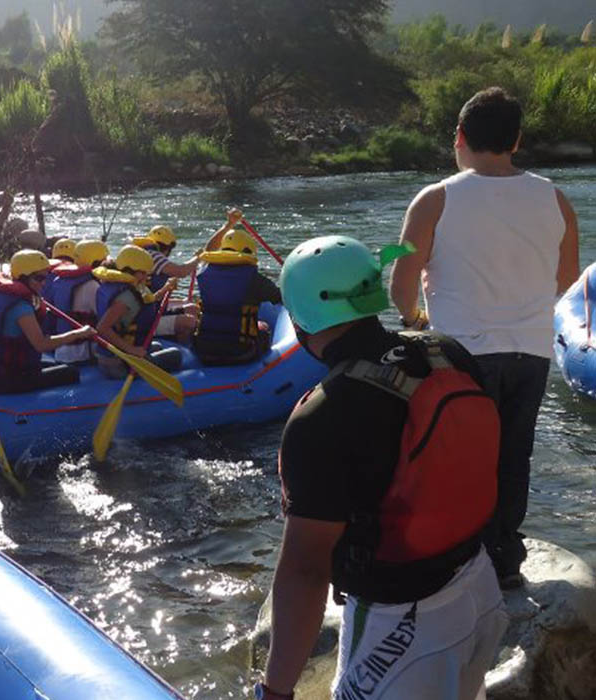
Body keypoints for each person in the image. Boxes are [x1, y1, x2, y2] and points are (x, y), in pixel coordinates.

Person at [259, 234, 506, 700]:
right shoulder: (446, 351)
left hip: (402, 624)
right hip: (478, 588)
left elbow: (305, 571)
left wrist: (275, 691)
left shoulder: (321, 416)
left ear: (298, 319)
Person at [389, 86, 581, 590]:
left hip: (461, 354)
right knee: (514, 455)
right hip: (531, 351)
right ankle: (505, 559)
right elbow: (566, 281)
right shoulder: (556, 199)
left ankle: (457, 560)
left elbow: (400, 284)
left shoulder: (435, 199)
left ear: (459, 137)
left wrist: (417, 318)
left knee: (455, 458)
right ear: (516, 139)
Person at [0, 249, 95, 394]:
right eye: (38, 278)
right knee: (71, 372)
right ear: (23, 277)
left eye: (45, 278)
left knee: (55, 364)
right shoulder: (21, 308)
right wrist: (78, 333)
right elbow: (41, 344)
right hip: (9, 378)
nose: (43, 283)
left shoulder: (4, 293)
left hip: (1, 368)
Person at [194, 227, 281, 365]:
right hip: (240, 352)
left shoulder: (203, 271)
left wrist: (228, 225)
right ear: (247, 252)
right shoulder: (254, 279)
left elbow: (208, 248)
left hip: (204, 350)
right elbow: (279, 297)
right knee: (263, 328)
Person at [94, 245, 183, 379]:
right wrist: (131, 350)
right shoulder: (126, 298)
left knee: (157, 346)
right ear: (130, 270)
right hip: (119, 362)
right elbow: (102, 328)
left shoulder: (119, 286)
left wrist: (166, 289)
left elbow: (146, 300)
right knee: (176, 355)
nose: (147, 276)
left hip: (118, 355)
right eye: (143, 272)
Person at [45, 239, 108, 365]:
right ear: (97, 263)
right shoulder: (92, 286)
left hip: (61, 351)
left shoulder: (59, 280)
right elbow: (106, 321)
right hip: (81, 354)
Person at [135, 225, 199, 343]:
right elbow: (181, 271)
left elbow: (152, 297)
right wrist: (198, 258)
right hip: (144, 319)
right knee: (189, 322)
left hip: (150, 308)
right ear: (168, 248)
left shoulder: (142, 253)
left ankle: (181, 345)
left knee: (192, 308)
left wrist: (183, 302)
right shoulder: (153, 256)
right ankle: (183, 352)